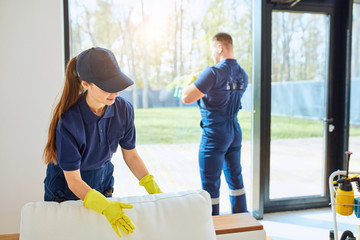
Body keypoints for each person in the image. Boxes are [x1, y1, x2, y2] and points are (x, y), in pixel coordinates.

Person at [43, 47, 162, 237]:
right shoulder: (69, 122)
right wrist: (104, 207)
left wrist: (151, 186)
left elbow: (130, 155)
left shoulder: (124, 110)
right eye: (107, 86)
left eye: (117, 83)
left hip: (102, 180)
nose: (114, 92)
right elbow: (74, 181)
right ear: (85, 84)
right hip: (66, 188)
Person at [181, 32, 248, 215]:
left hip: (215, 135)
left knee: (210, 185)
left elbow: (186, 97)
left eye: (213, 50)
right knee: (236, 179)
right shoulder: (243, 74)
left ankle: (212, 228)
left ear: (219, 47)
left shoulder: (213, 72)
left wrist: (190, 83)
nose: (212, 55)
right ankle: (243, 225)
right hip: (234, 131)